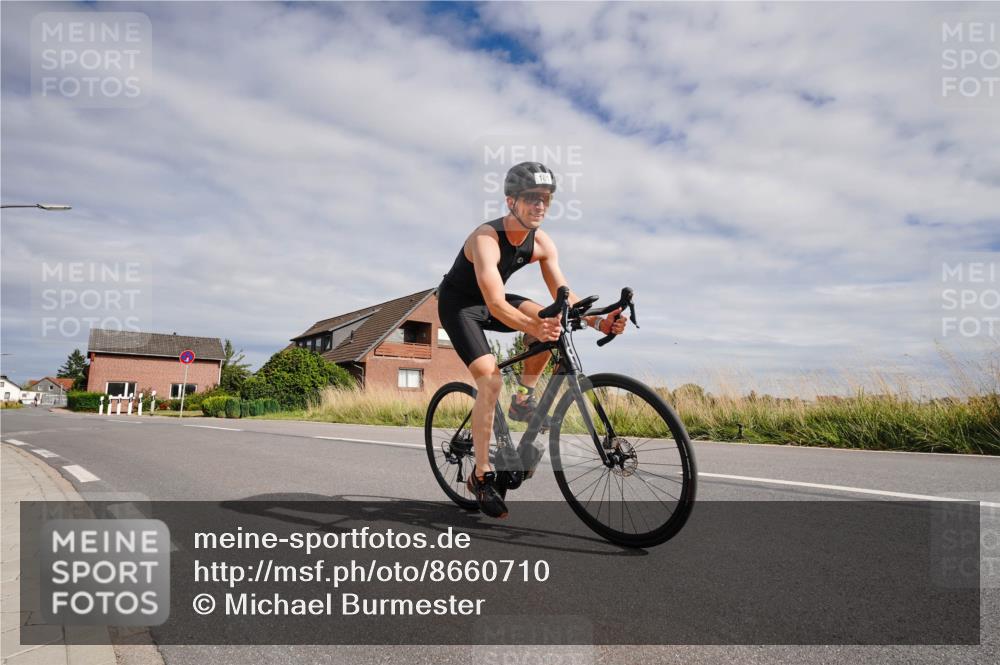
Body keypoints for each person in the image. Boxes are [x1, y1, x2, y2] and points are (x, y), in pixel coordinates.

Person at [437, 161, 627, 519]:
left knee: (552, 320)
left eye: (546, 199)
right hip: (460, 306)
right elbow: (495, 303)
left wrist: (599, 321)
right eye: (531, 198)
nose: (540, 205)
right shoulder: (485, 238)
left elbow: (564, 295)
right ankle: (481, 476)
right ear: (511, 202)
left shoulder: (541, 242)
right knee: (490, 379)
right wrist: (534, 327)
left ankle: (523, 399)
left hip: (492, 300)